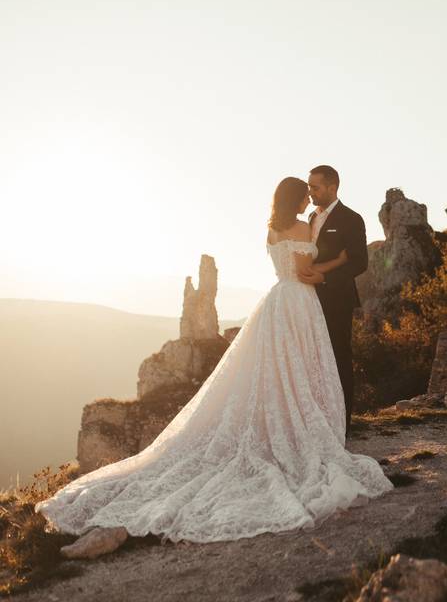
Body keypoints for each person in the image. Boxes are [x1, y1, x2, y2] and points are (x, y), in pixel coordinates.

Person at [34, 177, 393, 545]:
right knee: (296, 369)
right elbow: (304, 272)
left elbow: (287, 266)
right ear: (295, 198)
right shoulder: (301, 226)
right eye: (304, 195)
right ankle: (298, 427)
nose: (307, 200)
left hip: (278, 302)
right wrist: (341, 259)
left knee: (277, 372)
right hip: (298, 303)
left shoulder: (272, 230)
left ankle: (284, 421)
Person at [297, 165, 367, 435]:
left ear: (332, 187)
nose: (310, 192)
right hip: (305, 299)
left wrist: (324, 279)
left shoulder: (352, 219)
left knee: (338, 358)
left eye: (315, 187)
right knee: (309, 359)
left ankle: (342, 423)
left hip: (336, 300)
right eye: (309, 187)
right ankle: (315, 420)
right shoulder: (309, 220)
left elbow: (359, 262)